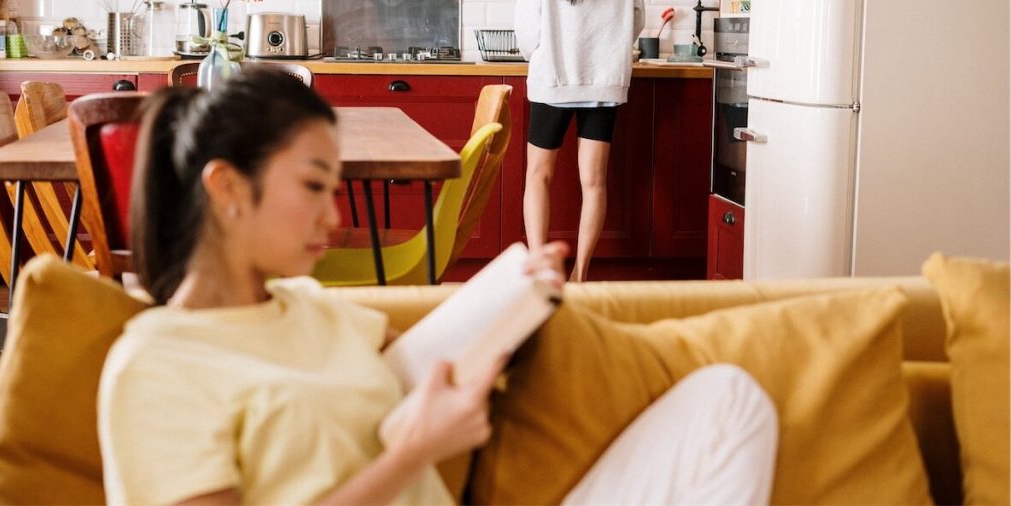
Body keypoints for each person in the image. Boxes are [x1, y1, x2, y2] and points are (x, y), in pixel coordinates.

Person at [98, 68, 778, 505]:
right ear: (226, 188)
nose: (335, 219)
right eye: (313, 186)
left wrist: (506, 299)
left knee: (729, 401)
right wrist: (414, 454)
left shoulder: (312, 310)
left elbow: (427, 364)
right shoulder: (155, 363)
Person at [515, 0, 645, 283]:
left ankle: (540, 272)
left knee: (539, 175)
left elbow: (527, 27)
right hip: (603, 82)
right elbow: (638, 16)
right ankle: (580, 276)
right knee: (594, 183)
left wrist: (537, 54)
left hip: (553, 80)